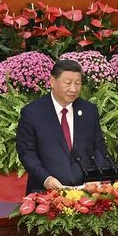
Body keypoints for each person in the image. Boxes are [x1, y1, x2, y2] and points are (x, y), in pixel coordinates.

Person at [15, 58, 106, 193]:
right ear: (52, 82)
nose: (73, 89)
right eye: (68, 83)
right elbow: (26, 152)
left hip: (86, 192)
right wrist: (45, 178)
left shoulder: (89, 110)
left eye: (78, 83)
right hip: (45, 192)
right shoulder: (32, 113)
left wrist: (96, 176)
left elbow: (99, 147)